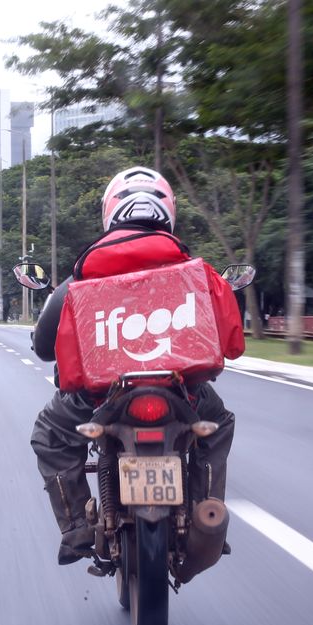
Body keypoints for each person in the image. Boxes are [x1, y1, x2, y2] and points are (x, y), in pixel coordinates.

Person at [29, 166, 244, 565]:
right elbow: (232, 344)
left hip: (99, 396)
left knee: (50, 435)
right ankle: (206, 514)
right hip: (183, 393)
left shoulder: (79, 279)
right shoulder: (198, 273)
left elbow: (44, 348)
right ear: (169, 213)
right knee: (219, 425)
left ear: (110, 212)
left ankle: (76, 527)